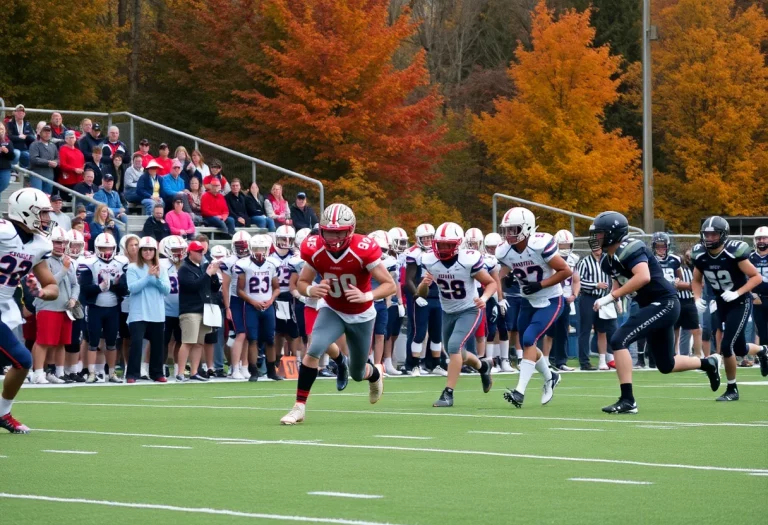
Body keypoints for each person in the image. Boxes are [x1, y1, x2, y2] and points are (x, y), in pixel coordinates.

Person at [587, 211, 724, 414]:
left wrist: (610, 297)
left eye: (599, 233)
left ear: (612, 233)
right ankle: (708, 362)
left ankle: (628, 400)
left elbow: (643, 276)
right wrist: (612, 297)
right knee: (665, 364)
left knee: (618, 340)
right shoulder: (608, 261)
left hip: (664, 303)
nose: (596, 238)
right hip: (651, 306)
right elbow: (619, 279)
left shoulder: (630, 247)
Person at [280, 203, 397, 425]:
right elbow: (303, 281)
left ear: (350, 230)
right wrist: (311, 290)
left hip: (361, 314)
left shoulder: (363, 248)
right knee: (313, 348)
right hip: (332, 308)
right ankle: (299, 407)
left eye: (339, 232)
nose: (333, 237)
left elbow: (390, 285)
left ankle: (374, 374)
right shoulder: (314, 248)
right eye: (329, 231)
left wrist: (367, 296)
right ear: (321, 230)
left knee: (356, 372)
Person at [495, 208, 571, 409]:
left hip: (551, 299)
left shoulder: (539, 244)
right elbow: (500, 274)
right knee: (527, 343)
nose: (509, 234)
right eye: (507, 230)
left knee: (528, 339)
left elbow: (565, 270)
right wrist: (504, 281)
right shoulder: (505, 250)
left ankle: (519, 392)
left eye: (514, 229)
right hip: (527, 300)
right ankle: (550, 377)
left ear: (527, 228)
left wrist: (541, 284)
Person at [0, 188, 59, 433]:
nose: (47, 218)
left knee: (23, 361)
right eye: (42, 213)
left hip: (3, 307)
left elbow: (52, 286)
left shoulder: (39, 244)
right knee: (22, 358)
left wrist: (43, 292)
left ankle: (3, 412)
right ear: (25, 211)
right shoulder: (3, 230)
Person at [418, 223, 496, 407]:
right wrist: (424, 284)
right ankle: (483, 366)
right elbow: (422, 293)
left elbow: (491, 282)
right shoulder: (430, 260)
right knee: (457, 351)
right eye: (441, 244)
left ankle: (448, 393)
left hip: (469, 309)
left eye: (448, 244)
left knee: (453, 347)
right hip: (448, 311)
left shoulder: (468, 260)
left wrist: (484, 297)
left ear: (458, 244)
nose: (444, 248)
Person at [691, 216, 768, 401]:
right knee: (740, 348)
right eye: (706, 234)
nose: (709, 238)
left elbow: (756, 277)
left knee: (727, 345)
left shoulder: (734, 252)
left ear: (723, 235)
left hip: (740, 302)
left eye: (713, 234)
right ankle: (762, 351)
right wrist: (697, 298)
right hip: (720, 302)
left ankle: (732, 388)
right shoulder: (700, 254)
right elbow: (696, 279)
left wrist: (738, 292)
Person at [77, 232, 127, 383]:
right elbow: (84, 288)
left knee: (112, 341)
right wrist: (100, 287)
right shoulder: (89, 262)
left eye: (109, 248)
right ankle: (92, 372)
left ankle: (111, 373)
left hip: (113, 308)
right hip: (95, 307)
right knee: (93, 342)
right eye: (103, 248)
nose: (106, 251)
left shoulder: (120, 262)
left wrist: (115, 285)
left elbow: (125, 288)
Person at [31, 226, 79, 384]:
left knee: (61, 342)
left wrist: (73, 298)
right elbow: (49, 283)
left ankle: (57, 372)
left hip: (65, 308)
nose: (61, 245)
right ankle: (38, 373)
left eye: (63, 242)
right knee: (44, 341)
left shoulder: (67, 260)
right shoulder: (43, 260)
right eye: (57, 242)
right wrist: (64, 269)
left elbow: (75, 284)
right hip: (48, 306)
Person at [236, 234, 281, 382]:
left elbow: (277, 288)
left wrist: (270, 300)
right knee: (252, 339)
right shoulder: (244, 264)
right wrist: (253, 301)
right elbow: (240, 290)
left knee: (270, 339)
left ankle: (271, 370)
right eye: (256, 248)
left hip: (267, 306)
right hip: (251, 306)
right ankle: (253, 370)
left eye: (262, 248)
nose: (259, 251)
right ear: (250, 248)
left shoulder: (272, 264)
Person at [125, 236, 171, 383]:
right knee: (137, 343)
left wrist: (157, 278)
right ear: (140, 251)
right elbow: (132, 288)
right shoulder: (132, 267)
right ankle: (132, 374)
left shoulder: (162, 268)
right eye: (145, 249)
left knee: (158, 345)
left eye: (151, 249)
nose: (148, 252)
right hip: (139, 312)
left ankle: (157, 373)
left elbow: (166, 290)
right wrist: (148, 277)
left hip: (157, 312)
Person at [651, 232, 701, 357]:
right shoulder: (650, 260)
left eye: (663, 246)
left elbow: (679, 276)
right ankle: (666, 354)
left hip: (674, 298)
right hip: (658, 298)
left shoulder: (675, 260)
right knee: (667, 329)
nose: (660, 249)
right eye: (658, 246)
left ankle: (696, 355)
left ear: (668, 246)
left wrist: (677, 281)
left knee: (690, 328)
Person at [177, 241, 221, 382]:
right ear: (190, 252)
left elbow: (213, 288)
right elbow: (192, 286)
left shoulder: (201, 268)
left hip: (203, 309)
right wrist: (208, 274)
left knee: (199, 343)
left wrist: (213, 276)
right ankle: (180, 372)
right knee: (188, 341)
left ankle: (194, 371)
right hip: (190, 309)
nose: (201, 253)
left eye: (202, 251)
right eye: (197, 251)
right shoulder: (184, 269)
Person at [405, 223, 444, 375]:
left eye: (430, 237)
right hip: (420, 295)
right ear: (418, 238)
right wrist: (416, 296)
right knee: (419, 332)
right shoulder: (414, 253)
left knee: (436, 333)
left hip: (437, 295)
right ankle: (413, 365)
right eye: (424, 238)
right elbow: (408, 279)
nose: (428, 240)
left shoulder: (440, 251)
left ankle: (435, 364)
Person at [543, 230, 580, 371]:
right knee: (549, 330)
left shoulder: (573, 259)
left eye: (567, 245)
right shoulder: (550, 257)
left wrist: (574, 294)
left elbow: (576, 279)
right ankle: (545, 360)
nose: (565, 249)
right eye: (562, 246)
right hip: (552, 298)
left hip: (566, 299)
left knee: (563, 331)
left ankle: (561, 362)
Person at [574, 243, 615, 370]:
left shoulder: (608, 260)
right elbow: (578, 281)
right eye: (595, 248)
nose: (597, 250)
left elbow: (613, 277)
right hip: (588, 297)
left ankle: (608, 359)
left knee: (605, 329)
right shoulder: (584, 262)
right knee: (585, 329)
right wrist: (595, 285)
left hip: (604, 298)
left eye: (599, 248)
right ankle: (584, 362)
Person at [269, 225, 299, 380]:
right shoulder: (270, 258)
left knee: (293, 333)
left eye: (289, 239)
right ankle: (277, 360)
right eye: (283, 239)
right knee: (278, 332)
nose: (286, 242)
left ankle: (293, 361)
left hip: (291, 296)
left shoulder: (295, 257)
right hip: (276, 296)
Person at [484, 232, 516, 372]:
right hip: (491, 297)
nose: (492, 251)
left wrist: (502, 299)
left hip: (504, 297)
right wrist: (499, 299)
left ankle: (504, 360)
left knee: (504, 328)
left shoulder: (506, 258)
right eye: (489, 248)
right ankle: (492, 361)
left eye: (494, 247)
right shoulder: (485, 260)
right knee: (491, 329)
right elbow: (495, 280)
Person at [160, 236, 187, 379]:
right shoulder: (161, 264)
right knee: (163, 341)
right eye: (175, 250)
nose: (178, 253)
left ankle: (178, 368)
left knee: (180, 340)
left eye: (181, 250)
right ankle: (161, 367)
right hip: (164, 309)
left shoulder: (187, 264)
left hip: (182, 309)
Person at [28, 125, 58, 194]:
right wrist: (48, 162)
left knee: (47, 196)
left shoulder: (53, 146)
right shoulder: (34, 145)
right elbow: (34, 159)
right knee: (37, 195)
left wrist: (56, 163)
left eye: (49, 132)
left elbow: (57, 158)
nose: (47, 134)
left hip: (49, 175)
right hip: (37, 174)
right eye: (45, 132)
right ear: (40, 133)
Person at [0, 122, 16, 193]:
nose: (1, 131)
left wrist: (7, 152)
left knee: (4, 184)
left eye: (2, 129)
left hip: (5, 168)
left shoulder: (8, 141)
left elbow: (12, 157)